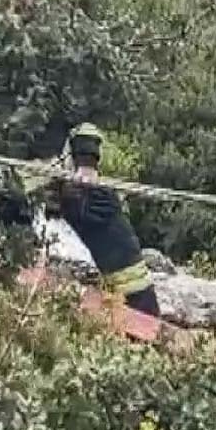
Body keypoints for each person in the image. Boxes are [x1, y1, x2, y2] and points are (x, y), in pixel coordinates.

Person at [48, 123, 161, 317]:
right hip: (129, 287)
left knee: (144, 331)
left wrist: (75, 172)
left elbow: (64, 210)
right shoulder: (97, 196)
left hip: (131, 292)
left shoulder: (91, 199)